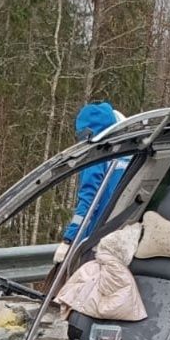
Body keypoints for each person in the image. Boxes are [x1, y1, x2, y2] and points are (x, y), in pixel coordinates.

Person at [54, 101, 128, 264]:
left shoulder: (97, 156)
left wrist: (68, 239)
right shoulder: (128, 152)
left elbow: (88, 201)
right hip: (120, 235)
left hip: (94, 238)